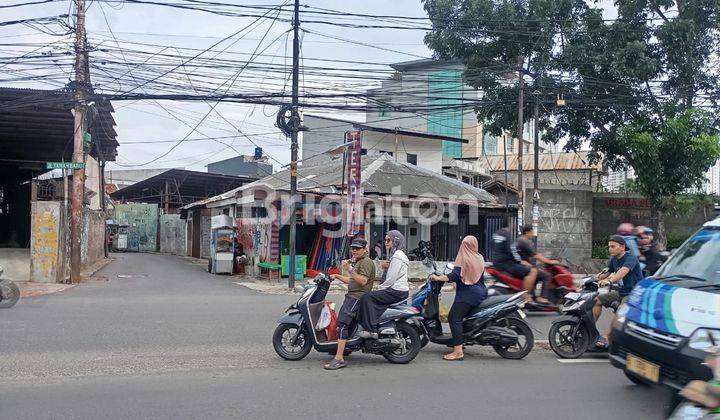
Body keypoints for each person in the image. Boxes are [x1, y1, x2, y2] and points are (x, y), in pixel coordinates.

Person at [429, 235, 487, 361]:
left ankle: (458, 351)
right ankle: (459, 339)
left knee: (454, 318)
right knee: (463, 317)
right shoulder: (479, 257)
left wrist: (437, 278)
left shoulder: (464, 258)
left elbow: (453, 276)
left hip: (468, 294)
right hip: (481, 291)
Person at [324, 238, 376, 370]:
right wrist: (337, 276)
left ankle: (339, 358)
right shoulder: (359, 262)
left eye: (358, 248)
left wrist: (350, 269)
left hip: (356, 298)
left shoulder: (366, 262)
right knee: (347, 325)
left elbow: (363, 281)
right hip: (352, 296)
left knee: (342, 324)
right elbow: (352, 281)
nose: (354, 251)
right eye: (353, 248)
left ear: (365, 250)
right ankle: (346, 348)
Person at [592, 235, 644, 348]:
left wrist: (609, 281)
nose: (610, 249)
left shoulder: (631, 258)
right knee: (596, 300)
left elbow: (623, 271)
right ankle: (590, 331)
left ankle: (606, 337)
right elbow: (607, 272)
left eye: (613, 246)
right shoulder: (614, 259)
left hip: (633, 294)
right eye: (609, 246)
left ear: (622, 247)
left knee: (621, 309)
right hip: (622, 292)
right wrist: (594, 278)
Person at [357, 230, 410, 339]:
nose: (386, 242)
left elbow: (391, 278)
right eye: (385, 240)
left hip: (396, 290)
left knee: (366, 298)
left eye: (389, 240)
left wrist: (379, 288)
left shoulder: (397, 255)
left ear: (395, 241)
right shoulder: (398, 254)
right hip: (399, 290)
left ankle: (370, 329)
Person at [490, 218, 538, 302]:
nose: (513, 225)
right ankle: (526, 296)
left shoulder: (496, 234)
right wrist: (520, 261)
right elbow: (511, 251)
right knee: (533, 271)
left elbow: (491, 245)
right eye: (512, 223)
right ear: (509, 224)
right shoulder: (507, 234)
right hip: (506, 264)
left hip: (496, 263)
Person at [515, 225, 559, 303]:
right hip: (524, 267)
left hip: (521, 265)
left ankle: (533, 296)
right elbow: (536, 256)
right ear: (527, 232)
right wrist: (550, 262)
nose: (533, 234)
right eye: (532, 232)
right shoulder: (524, 242)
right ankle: (542, 297)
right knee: (547, 275)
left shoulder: (519, 240)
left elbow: (534, 255)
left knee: (538, 273)